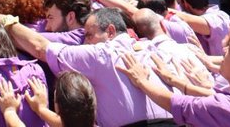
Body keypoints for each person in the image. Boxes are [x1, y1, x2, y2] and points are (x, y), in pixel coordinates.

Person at [9, 8, 175, 127]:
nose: (85, 42)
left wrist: (5, 22)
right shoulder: (155, 50)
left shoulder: (102, 54)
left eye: (89, 35)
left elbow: (40, 48)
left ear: (110, 32)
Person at [120, 27, 230, 127]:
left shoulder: (227, 109)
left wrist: (141, 80)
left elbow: (176, 103)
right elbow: (218, 98)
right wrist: (178, 82)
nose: (224, 51)